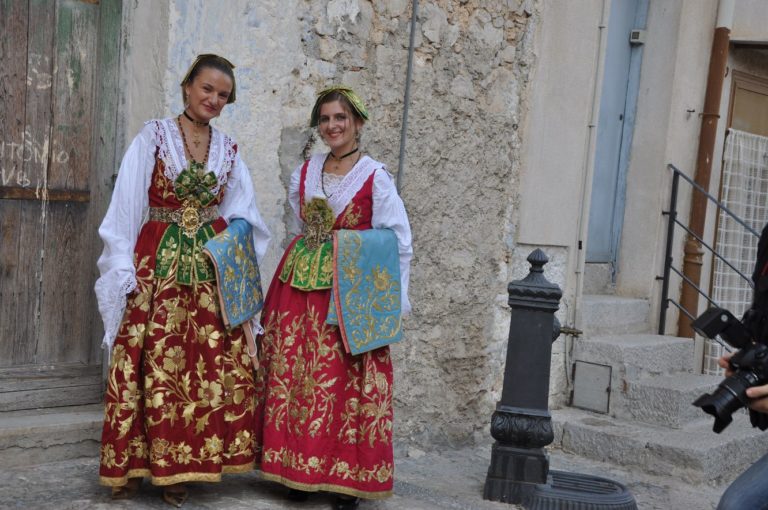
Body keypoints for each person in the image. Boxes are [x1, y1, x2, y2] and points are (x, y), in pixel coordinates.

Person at [95, 54, 270, 507]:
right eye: (207, 88)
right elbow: (127, 205)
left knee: (202, 367)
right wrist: (122, 266)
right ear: (187, 85)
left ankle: (183, 468)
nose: (214, 99)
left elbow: (244, 214)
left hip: (209, 271)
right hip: (158, 266)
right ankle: (134, 463)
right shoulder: (153, 138)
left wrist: (232, 248)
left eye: (223, 95)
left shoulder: (228, 150)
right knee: (148, 361)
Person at [254, 86, 413, 510]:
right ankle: (296, 469)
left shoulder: (376, 177)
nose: (332, 126)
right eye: (324, 119)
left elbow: (398, 240)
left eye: (340, 118)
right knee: (295, 375)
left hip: (349, 291)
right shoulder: (306, 172)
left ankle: (346, 479)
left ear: (357, 122)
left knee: (342, 379)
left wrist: (393, 299)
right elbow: (299, 222)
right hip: (298, 287)